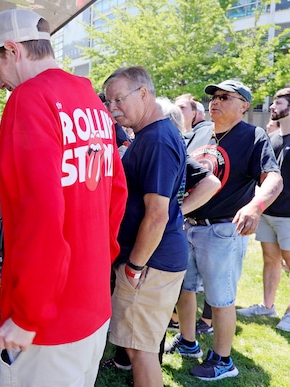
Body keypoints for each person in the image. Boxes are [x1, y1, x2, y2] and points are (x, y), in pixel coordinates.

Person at [0, 9, 127, 386]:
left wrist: (27, 315)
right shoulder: (91, 100)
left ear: (13, 50)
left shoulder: (29, 99)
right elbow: (115, 195)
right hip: (92, 301)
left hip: (47, 321)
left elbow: (38, 215)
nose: (0, 83)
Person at [166, 80, 282, 381]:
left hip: (221, 230)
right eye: (213, 97)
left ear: (244, 105)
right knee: (185, 289)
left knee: (220, 299)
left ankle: (223, 360)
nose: (214, 102)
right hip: (188, 225)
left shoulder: (253, 135)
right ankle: (189, 343)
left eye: (224, 97)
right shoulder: (200, 131)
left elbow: (273, 178)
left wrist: (255, 206)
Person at [101, 67, 187, 387]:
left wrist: (135, 266)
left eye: (118, 100)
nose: (112, 109)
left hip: (151, 262)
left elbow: (157, 215)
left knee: (142, 351)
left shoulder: (158, 140)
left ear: (143, 94)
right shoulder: (149, 136)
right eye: (109, 103)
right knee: (136, 347)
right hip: (149, 260)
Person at [236, 88, 290, 332]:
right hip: (268, 212)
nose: (271, 106)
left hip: (288, 215)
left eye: (278, 102)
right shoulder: (275, 137)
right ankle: (268, 306)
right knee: (271, 260)